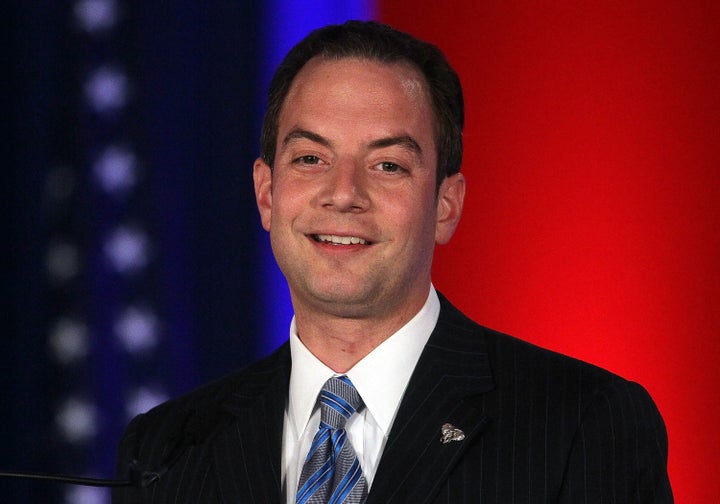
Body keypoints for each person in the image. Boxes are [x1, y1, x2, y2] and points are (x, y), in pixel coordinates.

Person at [113, 20, 672, 503]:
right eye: (310, 158)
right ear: (266, 192)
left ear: (446, 206)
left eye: (387, 166)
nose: (343, 194)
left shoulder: (583, 425)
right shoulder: (167, 448)